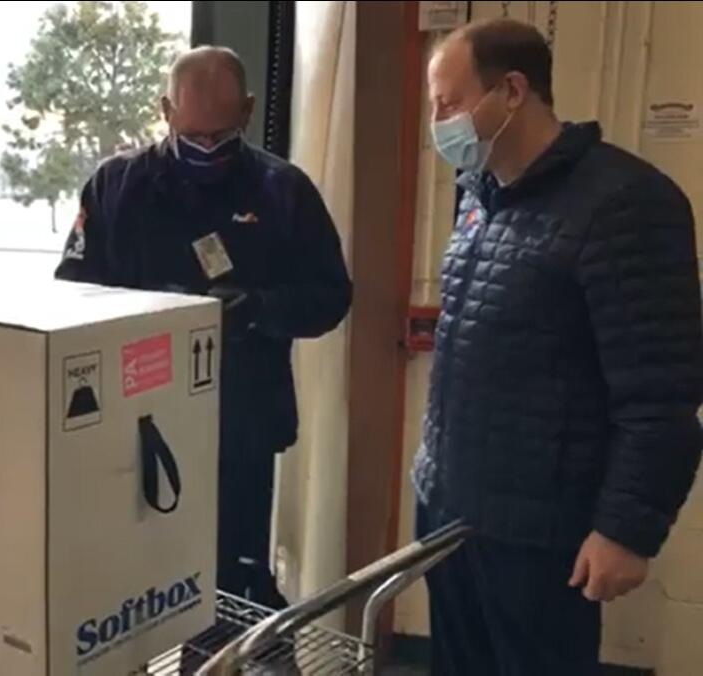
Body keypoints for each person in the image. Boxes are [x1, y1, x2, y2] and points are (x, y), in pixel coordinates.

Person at [414, 18, 703, 675]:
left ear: (513, 91)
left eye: (449, 103)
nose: (439, 123)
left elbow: (660, 394)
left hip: (538, 530)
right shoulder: (479, 196)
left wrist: (627, 529)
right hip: (448, 508)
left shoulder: (625, 203)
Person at [54, 45, 352, 611]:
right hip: (131, 420)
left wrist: (259, 307)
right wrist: (141, 310)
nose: (207, 148)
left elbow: (331, 297)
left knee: (228, 587)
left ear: (248, 110)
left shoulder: (283, 191)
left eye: (220, 135)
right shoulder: (117, 185)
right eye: (193, 135)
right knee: (128, 586)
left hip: (241, 423)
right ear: (166, 110)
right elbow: (70, 288)